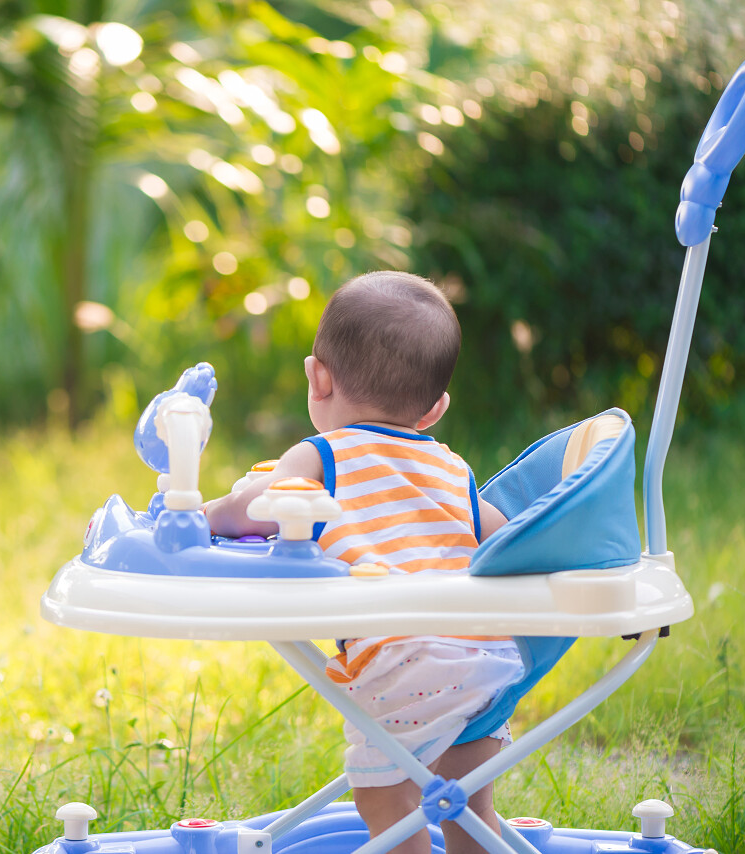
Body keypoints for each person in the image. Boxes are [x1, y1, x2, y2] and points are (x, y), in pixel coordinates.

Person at [204, 271, 524, 854]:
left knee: (387, 803)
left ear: (317, 377)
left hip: (399, 662)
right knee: (469, 806)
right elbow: (504, 535)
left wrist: (204, 516)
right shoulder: (454, 470)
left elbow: (261, 506)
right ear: (435, 410)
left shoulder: (323, 452)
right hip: (487, 660)